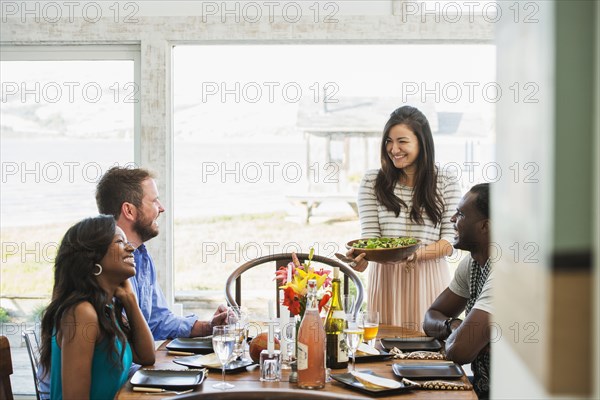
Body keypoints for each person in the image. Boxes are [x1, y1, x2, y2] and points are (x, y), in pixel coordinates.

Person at [347, 105, 461, 330]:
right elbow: (371, 237)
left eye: (402, 141)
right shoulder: (372, 181)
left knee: (428, 354)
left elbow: (450, 242)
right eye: (388, 141)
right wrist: (362, 259)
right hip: (386, 281)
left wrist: (412, 255)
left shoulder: (446, 181)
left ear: (422, 142)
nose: (393, 148)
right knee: (385, 353)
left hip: (429, 280)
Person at [95, 166, 228, 339]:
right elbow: (123, 344)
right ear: (129, 210)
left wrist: (209, 327)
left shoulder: (141, 257)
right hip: (124, 365)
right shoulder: (105, 266)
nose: (162, 208)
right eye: (154, 201)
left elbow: (158, 321)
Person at [39, 215, 155, 399]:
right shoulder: (81, 312)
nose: (131, 247)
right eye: (119, 241)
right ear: (93, 259)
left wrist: (130, 298)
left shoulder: (107, 309)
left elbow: (147, 357)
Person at [423, 183, 491, 399]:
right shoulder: (471, 263)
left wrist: (464, 339)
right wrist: (453, 325)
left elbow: (459, 352)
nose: (452, 219)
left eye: (460, 214)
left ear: (485, 226)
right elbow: (430, 317)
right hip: (481, 387)